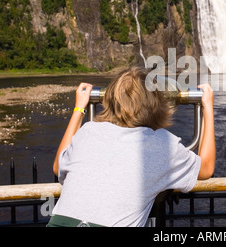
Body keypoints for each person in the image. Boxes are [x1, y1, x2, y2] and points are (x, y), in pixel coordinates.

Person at [47, 67, 215, 227]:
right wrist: (207, 107)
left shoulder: (88, 131)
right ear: (156, 104)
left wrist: (79, 108)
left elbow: (58, 166)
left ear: (109, 100)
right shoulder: (164, 144)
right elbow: (206, 168)